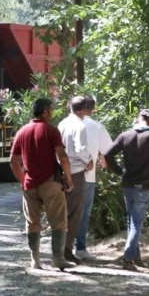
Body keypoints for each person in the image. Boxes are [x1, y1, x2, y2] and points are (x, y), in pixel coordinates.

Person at [10, 98, 76, 271]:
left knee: (32, 222)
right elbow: (62, 157)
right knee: (59, 221)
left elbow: (13, 161)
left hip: (30, 185)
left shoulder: (22, 132)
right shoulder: (51, 131)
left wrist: (23, 181)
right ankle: (57, 259)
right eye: (51, 110)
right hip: (51, 183)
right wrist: (69, 179)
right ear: (45, 111)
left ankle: (35, 261)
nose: (52, 113)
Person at [103, 109, 149, 271]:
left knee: (131, 222)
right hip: (143, 186)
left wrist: (120, 172)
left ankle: (136, 258)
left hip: (127, 185)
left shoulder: (125, 135)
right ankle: (127, 259)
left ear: (138, 119)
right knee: (135, 223)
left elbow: (107, 155)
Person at [74, 96, 113, 260]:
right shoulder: (97, 127)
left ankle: (64, 247)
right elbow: (109, 150)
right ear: (93, 109)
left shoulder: (65, 124)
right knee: (84, 213)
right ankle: (80, 248)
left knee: (69, 211)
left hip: (67, 174)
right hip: (88, 176)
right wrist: (103, 160)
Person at [57, 95, 94, 265]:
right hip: (76, 173)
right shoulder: (80, 126)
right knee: (75, 213)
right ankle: (66, 250)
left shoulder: (63, 123)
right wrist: (89, 160)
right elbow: (80, 149)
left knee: (62, 212)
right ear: (86, 109)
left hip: (60, 172)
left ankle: (59, 248)